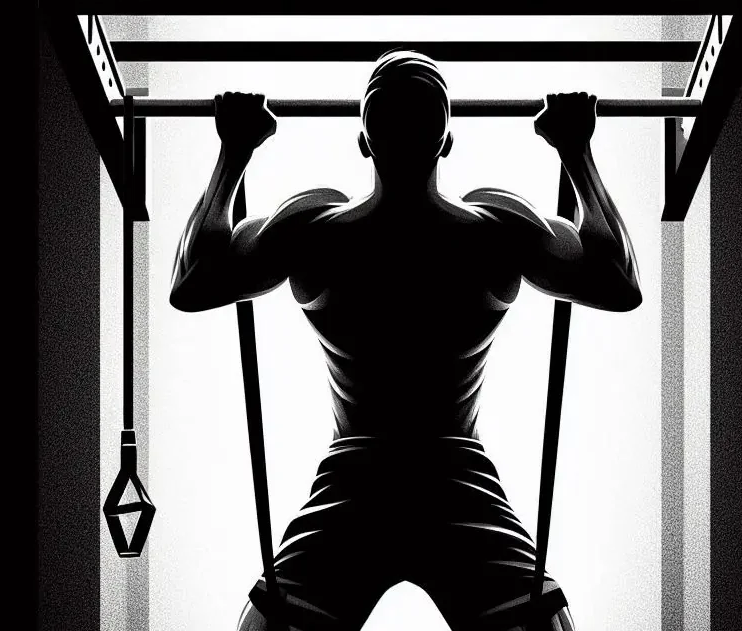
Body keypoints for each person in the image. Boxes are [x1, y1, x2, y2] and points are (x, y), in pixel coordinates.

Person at [170, 49, 642, 631]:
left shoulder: (321, 230)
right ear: (370, 138)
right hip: (406, 481)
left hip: (406, 480)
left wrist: (234, 152)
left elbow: (194, 278)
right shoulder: (489, 230)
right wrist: (575, 150)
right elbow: (616, 277)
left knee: (535, 617)